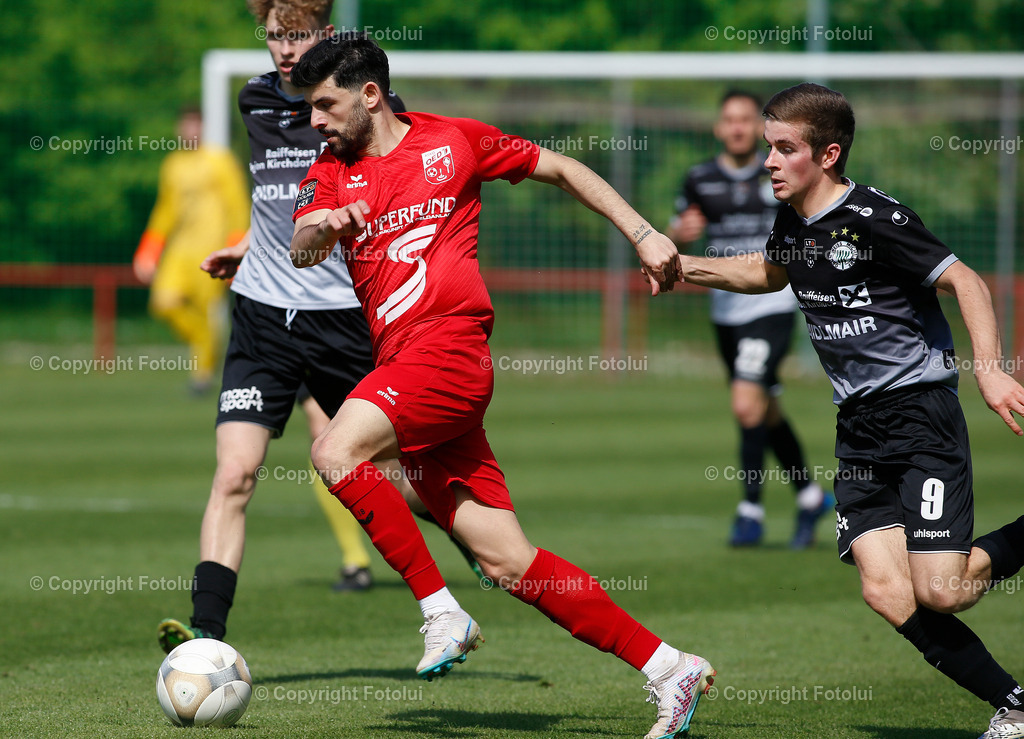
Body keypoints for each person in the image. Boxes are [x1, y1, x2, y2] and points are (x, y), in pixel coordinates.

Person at [287, 35, 715, 739]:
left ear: (369, 94)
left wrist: (643, 233)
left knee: (335, 450)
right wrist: (325, 227)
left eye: (326, 104)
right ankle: (669, 666)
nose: (315, 120)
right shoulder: (332, 169)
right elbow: (300, 244)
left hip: (448, 354)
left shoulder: (456, 141)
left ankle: (439, 608)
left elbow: (565, 168)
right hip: (409, 369)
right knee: (508, 559)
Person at [676, 82, 1024, 738]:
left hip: (919, 416)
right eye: (769, 147)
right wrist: (686, 268)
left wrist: (989, 367)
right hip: (858, 430)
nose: (769, 161)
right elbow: (768, 272)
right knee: (886, 591)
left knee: (943, 590)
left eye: (785, 149)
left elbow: (965, 280)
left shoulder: (876, 219)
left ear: (827, 154)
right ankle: (1014, 702)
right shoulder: (794, 221)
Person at [156, 2, 475, 653]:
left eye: (295, 35)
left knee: (401, 475)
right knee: (235, 471)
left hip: (342, 319)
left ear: (324, 37)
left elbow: (395, 185)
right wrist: (249, 246)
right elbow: (278, 194)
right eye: (273, 35)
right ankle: (207, 637)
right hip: (262, 316)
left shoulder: (362, 109)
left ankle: (475, 545)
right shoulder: (254, 101)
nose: (282, 47)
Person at [669, 90, 830, 548]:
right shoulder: (699, 178)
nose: (737, 128)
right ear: (719, 128)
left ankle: (750, 510)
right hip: (726, 311)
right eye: (729, 120)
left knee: (745, 403)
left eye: (746, 120)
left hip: (772, 305)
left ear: (758, 130)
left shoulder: (780, 172)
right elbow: (674, 229)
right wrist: (678, 233)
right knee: (764, 407)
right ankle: (811, 496)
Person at [133, 106, 250, 393]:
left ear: (204, 128)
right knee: (163, 302)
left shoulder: (219, 161)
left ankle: (201, 374)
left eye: (196, 125)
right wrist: (148, 250)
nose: (191, 131)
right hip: (179, 251)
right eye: (186, 125)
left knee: (206, 309)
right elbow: (165, 211)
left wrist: (235, 250)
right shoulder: (172, 164)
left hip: (211, 249)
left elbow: (237, 206)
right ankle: (207, 344)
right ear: (179, 129)